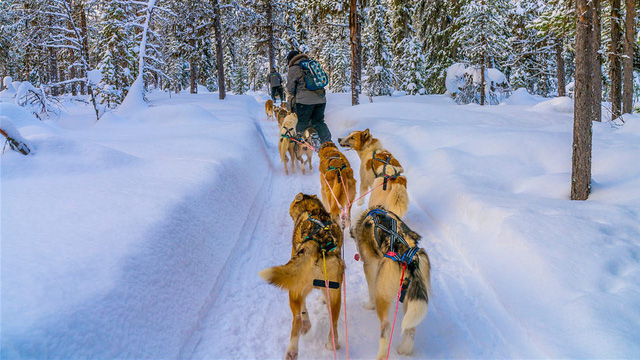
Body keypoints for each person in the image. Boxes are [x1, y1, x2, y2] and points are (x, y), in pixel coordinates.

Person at [286, 50, 331, 145]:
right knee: (318, 121)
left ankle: (298, 143)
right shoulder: (310, 64)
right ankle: (327, 142)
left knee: (302, 121)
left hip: (304, 101)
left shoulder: (294, 68)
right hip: (321, 99)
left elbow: (290, 89)